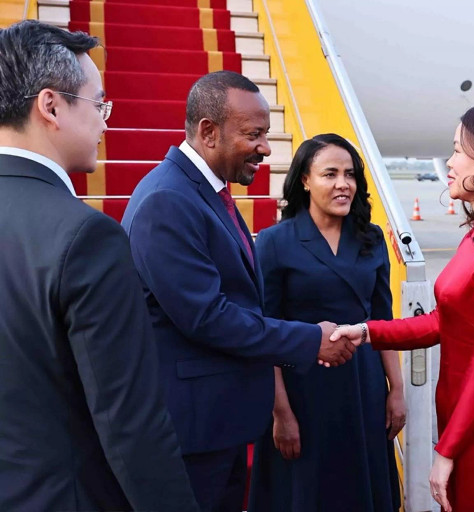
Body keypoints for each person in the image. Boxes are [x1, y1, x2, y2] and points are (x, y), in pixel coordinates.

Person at [121, 71, 357, 511]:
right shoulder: (167, 200)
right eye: (254, 135)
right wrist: (311, 339)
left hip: (218, 425)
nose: (266, 148)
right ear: (209, 132)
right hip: (191, 433)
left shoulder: (205, 193)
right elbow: (207, 316)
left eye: (265, 134)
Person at [0, 20, 199, 511]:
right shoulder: (86, 236)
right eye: (98, 104)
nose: (106, 123)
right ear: (51, 106)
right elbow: (130, 423)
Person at [333, 102, 474, 512]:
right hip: (464, 421)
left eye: (457, 150)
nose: (449, 162)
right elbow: (444, 322)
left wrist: (447, 449)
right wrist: (367, 332)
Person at [248, 134, 404, 511]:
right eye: (330, 174)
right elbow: (265, 332)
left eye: (350, 175)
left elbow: (383, 321)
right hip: (302, 390)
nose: (343, 184)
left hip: (363, 387)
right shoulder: (274, 242)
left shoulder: (371, 238)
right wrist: (281, 412)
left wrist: (396, 390)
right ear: (305, 179)